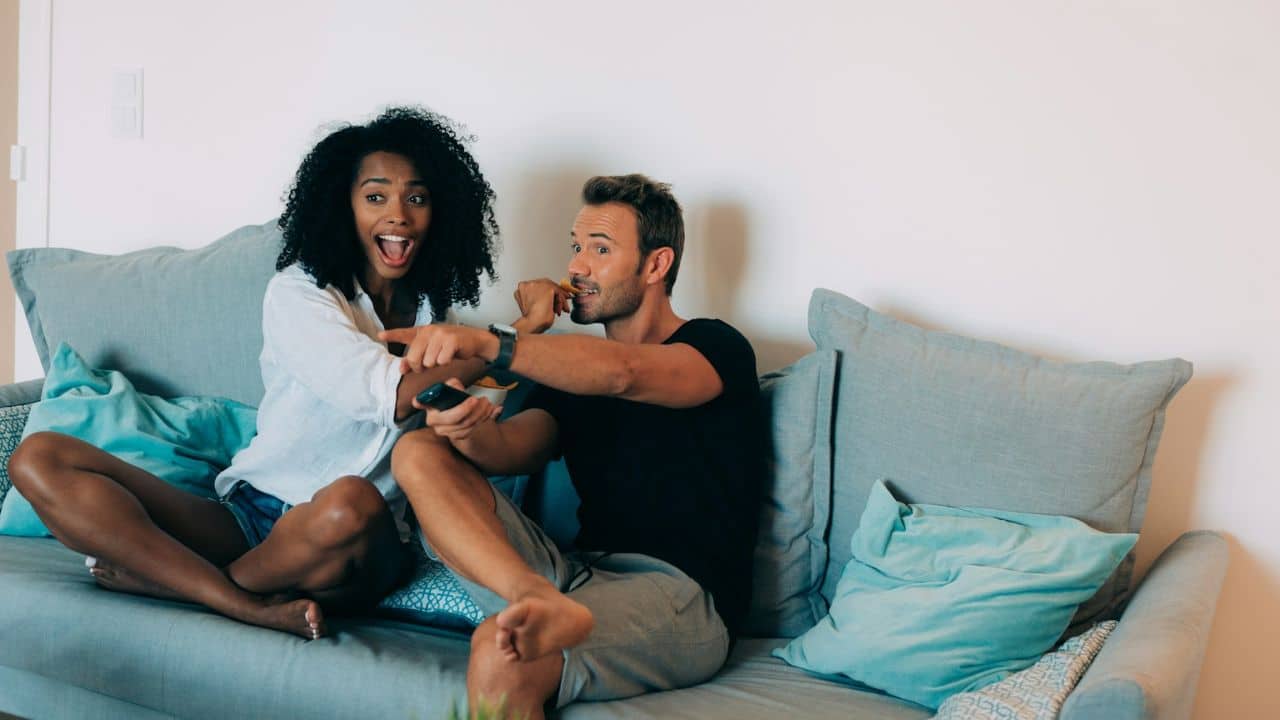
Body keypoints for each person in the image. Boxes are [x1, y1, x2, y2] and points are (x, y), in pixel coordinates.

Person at [7, 106, 500, 640]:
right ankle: (239, 602)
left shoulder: (438, 318)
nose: (398, 214)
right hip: (251, 515)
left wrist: (496, 354)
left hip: (355, 545)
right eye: (376, 197)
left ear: (441, 213)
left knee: (351, 500)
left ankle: (177, 586)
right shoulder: (299, 293)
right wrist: (501, 345)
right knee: (40, 456)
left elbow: (448, 416)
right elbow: (389, 394)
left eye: (418, 198)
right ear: (342, 207)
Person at [384, 174, 766, 718]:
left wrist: (494, 343)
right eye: (576, 247)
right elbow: (510, 450)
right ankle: (529, 594)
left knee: (502, 651)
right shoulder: (569, 378)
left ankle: (535, 605)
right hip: (572, 575)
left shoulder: (714, 346)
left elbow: (624, 374)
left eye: (601, 250)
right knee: (417, 452)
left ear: (656, 265)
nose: (577, 267)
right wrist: (469, 431)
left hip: (682, 598)